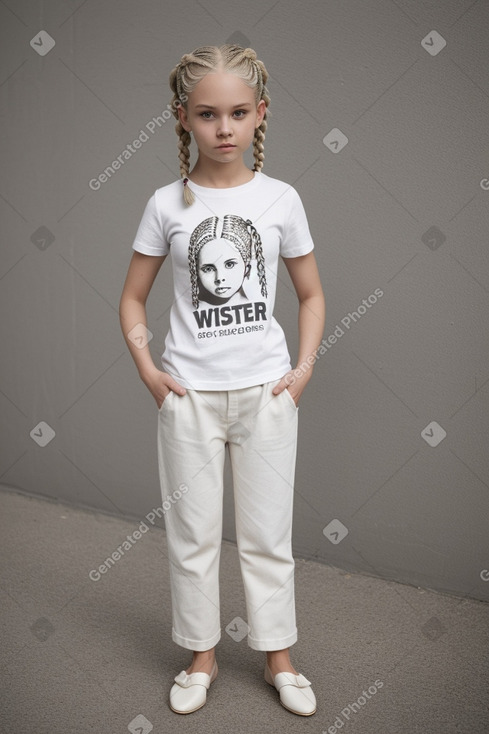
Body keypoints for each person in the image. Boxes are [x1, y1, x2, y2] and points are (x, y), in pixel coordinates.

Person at [119, 44, 325, 716]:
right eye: (208, 114)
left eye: (238, 112)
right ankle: (200, 655)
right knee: (193, 535)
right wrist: (152, 373)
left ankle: (278, 659)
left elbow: (311, 296)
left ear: (260, 113)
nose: (224, 127)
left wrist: (300, 373)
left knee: (268, 536)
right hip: (189, 401)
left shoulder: (281, 200)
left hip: (266, 397)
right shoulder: (164, 204)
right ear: (182, 118)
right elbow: (131, 300)